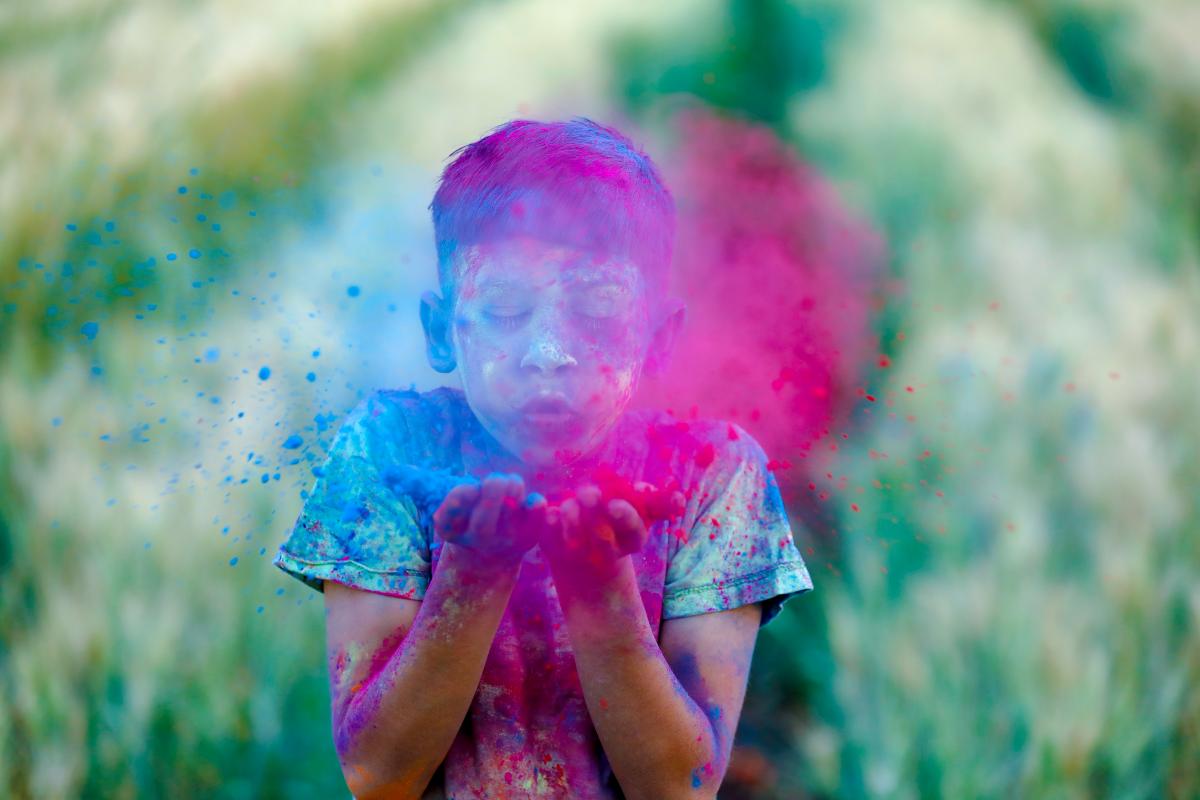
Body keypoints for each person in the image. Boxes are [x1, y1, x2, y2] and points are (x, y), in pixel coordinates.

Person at [272, 117, 814, 799]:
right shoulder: (391, 450)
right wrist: (472, 573)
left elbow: (680, 789)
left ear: (657, 340)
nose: (547, 354)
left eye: (594, 314)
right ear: (441, 331)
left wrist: (599, 589)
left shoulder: (711, 477)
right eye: (503, 311)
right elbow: (379, 776)